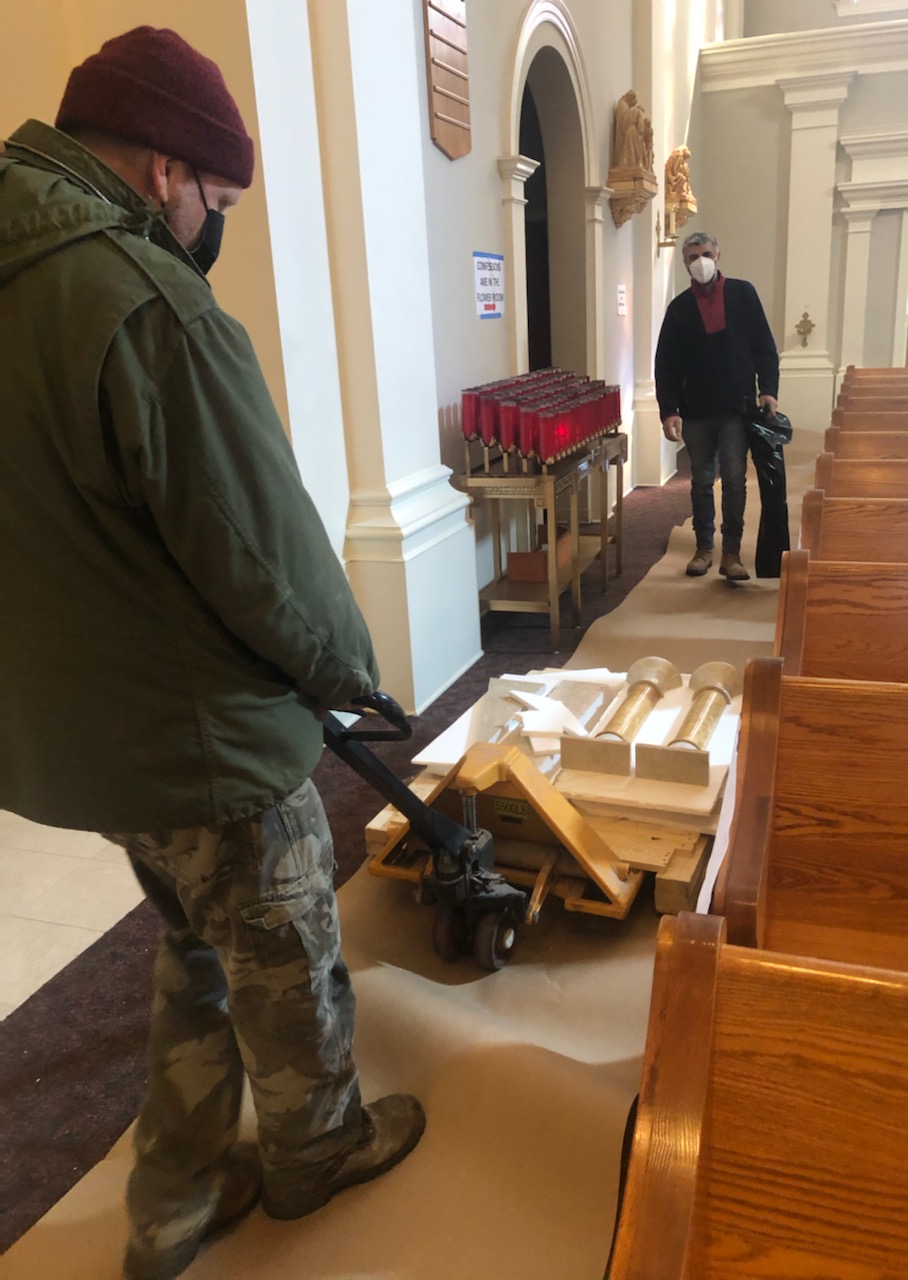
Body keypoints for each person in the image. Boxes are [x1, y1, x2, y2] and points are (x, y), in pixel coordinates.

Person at [0, 26, 425, 1280]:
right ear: (161, 169)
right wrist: (350, 666)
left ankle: (173, 1198)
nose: (212, 229)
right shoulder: (141, 302)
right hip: (195, 724)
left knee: (195, 937)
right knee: (282, 930)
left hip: (76, 731)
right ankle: (314, 1143)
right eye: (218, 201)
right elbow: (260, 547)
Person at [654, 231, 780, 580]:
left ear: (718, 255)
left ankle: (732, 554)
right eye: (693, 257)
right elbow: (666, 364)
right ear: (684, 263)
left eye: (706, 254)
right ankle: (703, 549)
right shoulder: (678, 308)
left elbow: (763, 346)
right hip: (696, 411)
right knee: (701, 482)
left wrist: (768, 389)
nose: (700, 262)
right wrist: (669, 410)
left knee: (736, 480)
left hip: (736, 409)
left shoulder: (743, 294)